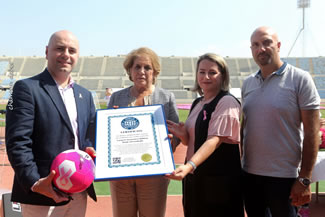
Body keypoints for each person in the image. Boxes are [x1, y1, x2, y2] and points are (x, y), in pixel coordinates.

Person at [5, 30, 97, 217]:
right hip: (42, 195)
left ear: (77, 56)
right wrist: (35, 182)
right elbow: (18, 142)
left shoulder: (85, 95)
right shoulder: (26, 88)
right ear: (47, 52)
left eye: (72, 50)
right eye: (59, 48)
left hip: (78, 193)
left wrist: (92, 150)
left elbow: (87, 139)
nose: (66, 55)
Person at [241, 26, 320, 217]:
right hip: (250, 176)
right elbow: (245, 128)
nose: (261, 49)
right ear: (251, 50)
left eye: (267, 42)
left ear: (278, 45)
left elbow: (312, 133)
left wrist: (305, 179)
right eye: (256, 45)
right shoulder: (248, 83)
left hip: (284, 178)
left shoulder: (300, 79)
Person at [166, 53, 244, 217]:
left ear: (222, 75)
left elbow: (214, 140)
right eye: (202, 72)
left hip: (218, 181)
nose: (206, 77)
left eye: (212, 72)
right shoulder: (197, 103)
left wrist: (189, 166)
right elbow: (193, 142)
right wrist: (183, 135)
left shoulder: (226, 102)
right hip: (195, 179)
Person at [107, 47, 179, 217]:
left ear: (155, 72)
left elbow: (176, 134)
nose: (142, 71)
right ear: (130, 71)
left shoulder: (167, 97)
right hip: (121, 176)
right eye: (137, 67)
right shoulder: (117, 98)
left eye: (147, 67)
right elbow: (106, 134)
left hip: (154, 175)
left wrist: (170, 141)